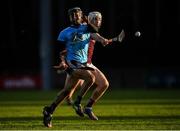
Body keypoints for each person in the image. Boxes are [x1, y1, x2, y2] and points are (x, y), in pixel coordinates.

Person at [42, 7, 109, 128]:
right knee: (90, 78)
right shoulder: (64, 32)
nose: (74, 17)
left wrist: (102, 39)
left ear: (81, 16)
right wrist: (62, 62)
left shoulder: (86, 27)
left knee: (66, 92)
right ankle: (78, 103)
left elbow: (95, 33)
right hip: (72, 63)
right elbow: (59, 50)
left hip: (83, 63)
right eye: (72, 16)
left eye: (77, 15)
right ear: (69, 18)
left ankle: (49, 111)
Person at [57, 11, 125, 120]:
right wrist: (102, 39)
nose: (98, 22)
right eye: (95, 19)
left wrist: (103, 40)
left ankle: (88, 107)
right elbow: (95, 36)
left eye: (99, 19)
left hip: (88, 64)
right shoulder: (85, 28)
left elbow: (95, 36)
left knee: (104, 84)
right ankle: (68, 106)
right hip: (77, 64)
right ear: (90, 20)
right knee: (67, 94)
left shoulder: (89, 29)